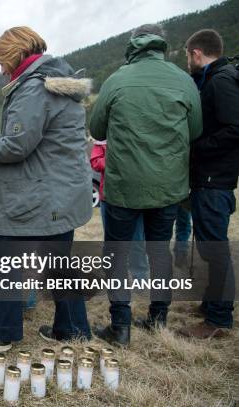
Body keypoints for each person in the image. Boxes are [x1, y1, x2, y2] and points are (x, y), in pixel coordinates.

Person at [0, 26, 93, 350]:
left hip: (37, 195)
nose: (0, 70)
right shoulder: (56, 84)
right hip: (65, 194)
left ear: (14, 56)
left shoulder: (33, 89)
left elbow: (16, 145)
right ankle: (72, 328)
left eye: (1, 62)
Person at [89, 24, 202, 346]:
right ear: (162, 43)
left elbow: (96, 127)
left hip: (125, 185)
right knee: (160, 252)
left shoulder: (117, 79)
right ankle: (158, 318)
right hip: (169, 185)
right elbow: (195, 130)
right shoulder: (183, 79)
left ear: (132, 44)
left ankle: (120, 327)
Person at [178, 29, 238, 339]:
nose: (188, 61)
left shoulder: (222, 80)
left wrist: (196, 147)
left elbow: (235, 129)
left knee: (215, 251)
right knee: (209, 248)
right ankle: (212, 304)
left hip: (215, 180)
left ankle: (219, 320)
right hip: (211, 178)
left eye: (188, 55)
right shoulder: (218, 78)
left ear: (197, 53)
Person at [90, 139, 149, 279]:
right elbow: (95, 161)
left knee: (138, 239)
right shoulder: (102, 140)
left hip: (135, 197)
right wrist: (116, 162)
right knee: (111, 240)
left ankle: (139, 276)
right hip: (109, 197)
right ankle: (112, 274)